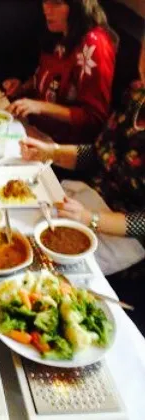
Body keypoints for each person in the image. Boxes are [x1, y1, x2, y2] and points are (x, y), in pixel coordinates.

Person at [20, 39, 145, 332]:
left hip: (127, 241)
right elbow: (100, 153)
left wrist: (92, 219)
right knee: (23, 236)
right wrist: (51, 152)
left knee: (39, 275)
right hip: (89, 203)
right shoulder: (136, 96)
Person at [4, 0, 117, 144]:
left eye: (57, 3)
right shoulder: (60, 32)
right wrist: (22, 87)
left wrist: (40, 106)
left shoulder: (94, 43)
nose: (47, 9)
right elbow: (52, 81)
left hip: (62, 146)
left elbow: (94, 117)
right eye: (46, 1)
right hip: (34, 128)